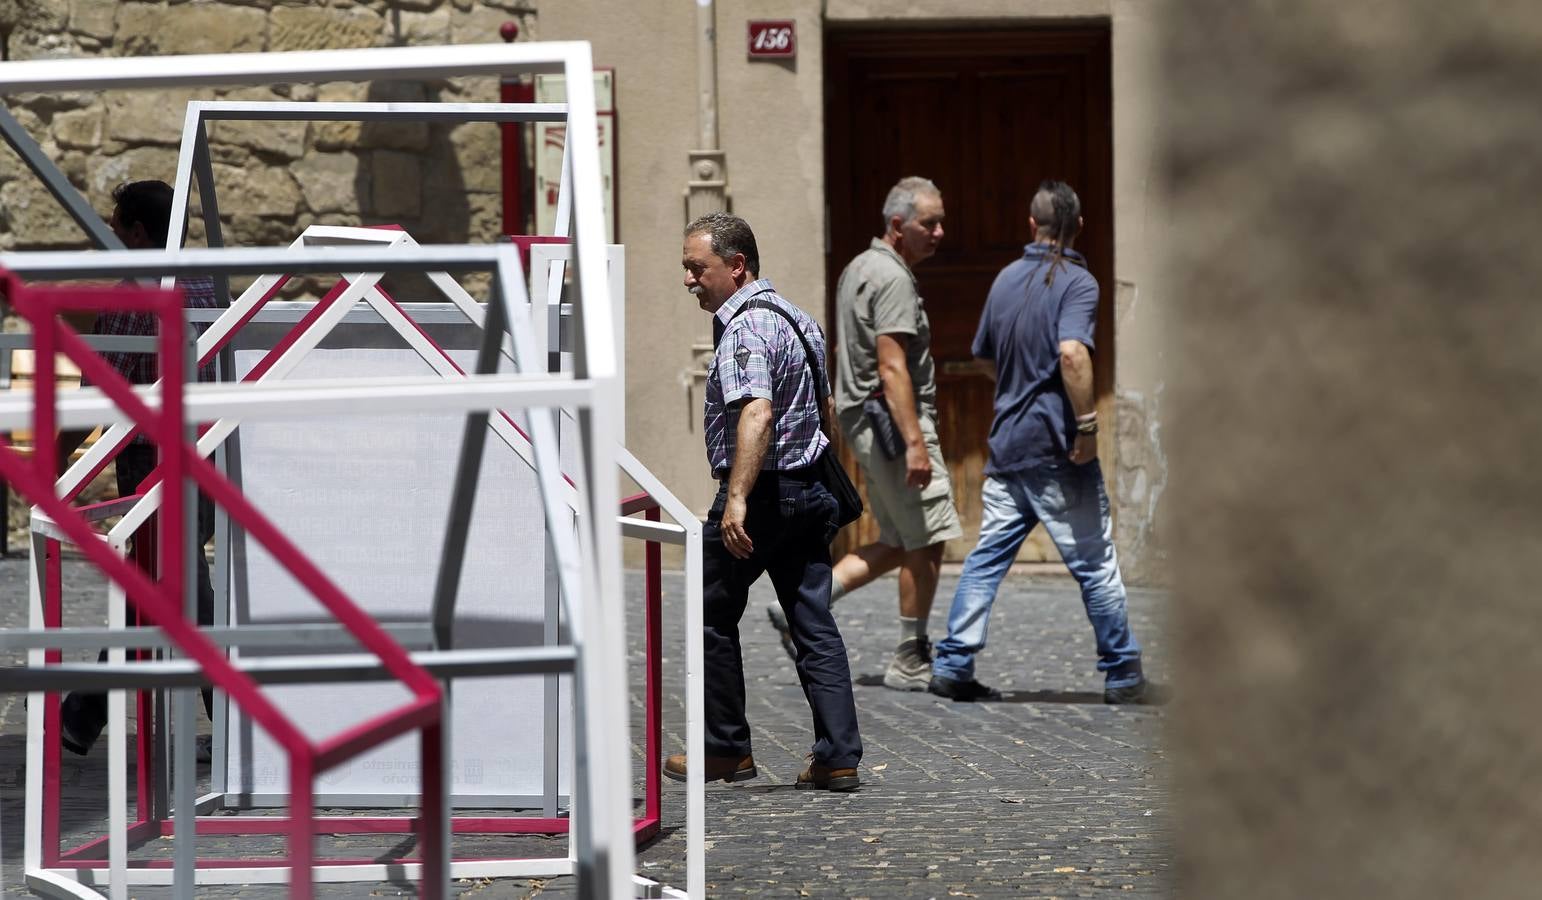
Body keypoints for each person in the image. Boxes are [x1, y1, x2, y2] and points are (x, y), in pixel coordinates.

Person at [662, 212, 863, 791]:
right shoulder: (800, 320)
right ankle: (838, 756)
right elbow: (825, 412)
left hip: (763, 497)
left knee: (709, 612)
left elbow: (757, 411)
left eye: (696, 268)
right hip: (807, 492)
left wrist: (738, 500)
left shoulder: (746, 330)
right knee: (813, 622)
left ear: (736, 266)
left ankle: (725, 750)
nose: (689, 280)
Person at [929, 180, 1146, 704]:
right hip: (1056, 447)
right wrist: (1089, 426)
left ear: (1032, 224)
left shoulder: (1005, 279)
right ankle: (1122, 673)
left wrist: (1017, 381)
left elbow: (983, 356)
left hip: (1006, 445)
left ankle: (954, 662)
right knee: (1094, 562)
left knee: (986, 558)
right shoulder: (1078, 282)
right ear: (1080, 227)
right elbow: (1073, 353)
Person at [769, 176, 962, 691]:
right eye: (929, 223)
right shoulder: (892, 278)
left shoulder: (858, 266)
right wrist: (916, 444)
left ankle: (801, 608)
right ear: (897, 225)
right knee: (928, 539)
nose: (939, 231)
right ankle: (910, 658)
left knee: (899, 538)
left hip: (867, 423)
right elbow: (892, 365)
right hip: (895, 426)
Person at [58, 180, 225, 756]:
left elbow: (96, 395)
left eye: (115, 224)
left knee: (175, 586)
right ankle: (84, 714)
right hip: (209, 453)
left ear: (135, 230)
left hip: (155, 461)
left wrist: (59, 463)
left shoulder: (131, 299)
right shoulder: (208, 284)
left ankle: (228, 724)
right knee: (163, 583)